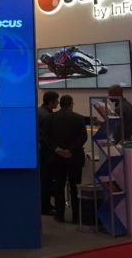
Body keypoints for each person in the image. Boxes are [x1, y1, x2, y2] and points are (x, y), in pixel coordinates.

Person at [44, 95, 87, 223]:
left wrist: (57, 149)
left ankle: (60, 214)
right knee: (75, 187)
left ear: (61, 104)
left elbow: (46, 137)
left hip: (57, 158)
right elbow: (83, 137)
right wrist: (71, 150)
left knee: (59, 186)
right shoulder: (79, 118)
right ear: (71, 104)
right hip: (74, 158)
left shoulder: (51, 118)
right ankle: (76, 216)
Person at [38, 91, 59, 215]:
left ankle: (45, 205)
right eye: (56, 101)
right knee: (46, 181)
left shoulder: (39, 112)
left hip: (41, 151)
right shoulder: (47, 116)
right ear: (50, 102)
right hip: (46, 153)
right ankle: (45, 207)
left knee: (44, 180)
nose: (58, 103)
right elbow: (47, 136)